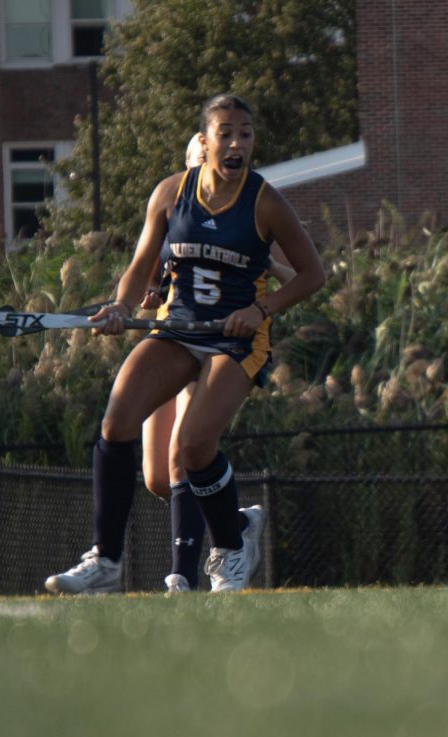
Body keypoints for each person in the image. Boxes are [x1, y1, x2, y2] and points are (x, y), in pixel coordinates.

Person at [45, 93, 325, 594]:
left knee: (194, 447)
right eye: (227, 133)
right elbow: (139, 269)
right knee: (117, 419)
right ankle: (105, 562)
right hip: (178, 329)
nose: (237, 143)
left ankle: (232, 546)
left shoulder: (266, 202)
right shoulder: (171, 193)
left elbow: (312, 275)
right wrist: (122, 308)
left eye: (246, 133)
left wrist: (259, 309)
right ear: (206, 140)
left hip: (235, 341)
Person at [139, 133, 297, 594]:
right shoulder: (174, 208)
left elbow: (298, 275)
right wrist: (145, 294)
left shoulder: (249, 216)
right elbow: (149, 278)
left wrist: (263, 263)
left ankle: (182, 576)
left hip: (216, 344)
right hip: (171, 335)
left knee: (180, 456)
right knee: (155, 477)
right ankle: (235, 523)